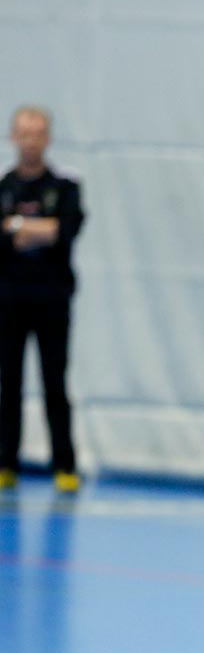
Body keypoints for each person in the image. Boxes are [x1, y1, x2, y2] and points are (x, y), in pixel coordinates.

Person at [0, 106, 85, 492]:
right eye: (24, 133)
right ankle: (6, 463)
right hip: (9, 299)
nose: (31, 140)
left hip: (52, 299)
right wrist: (37, 229)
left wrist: (17, 226)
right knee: (9, 384)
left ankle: (64, 465)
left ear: (47, 139)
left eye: (38, 133)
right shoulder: (4, 188)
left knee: (55, 383)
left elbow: (63, 230)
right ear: (13, 137)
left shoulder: (64, 187)